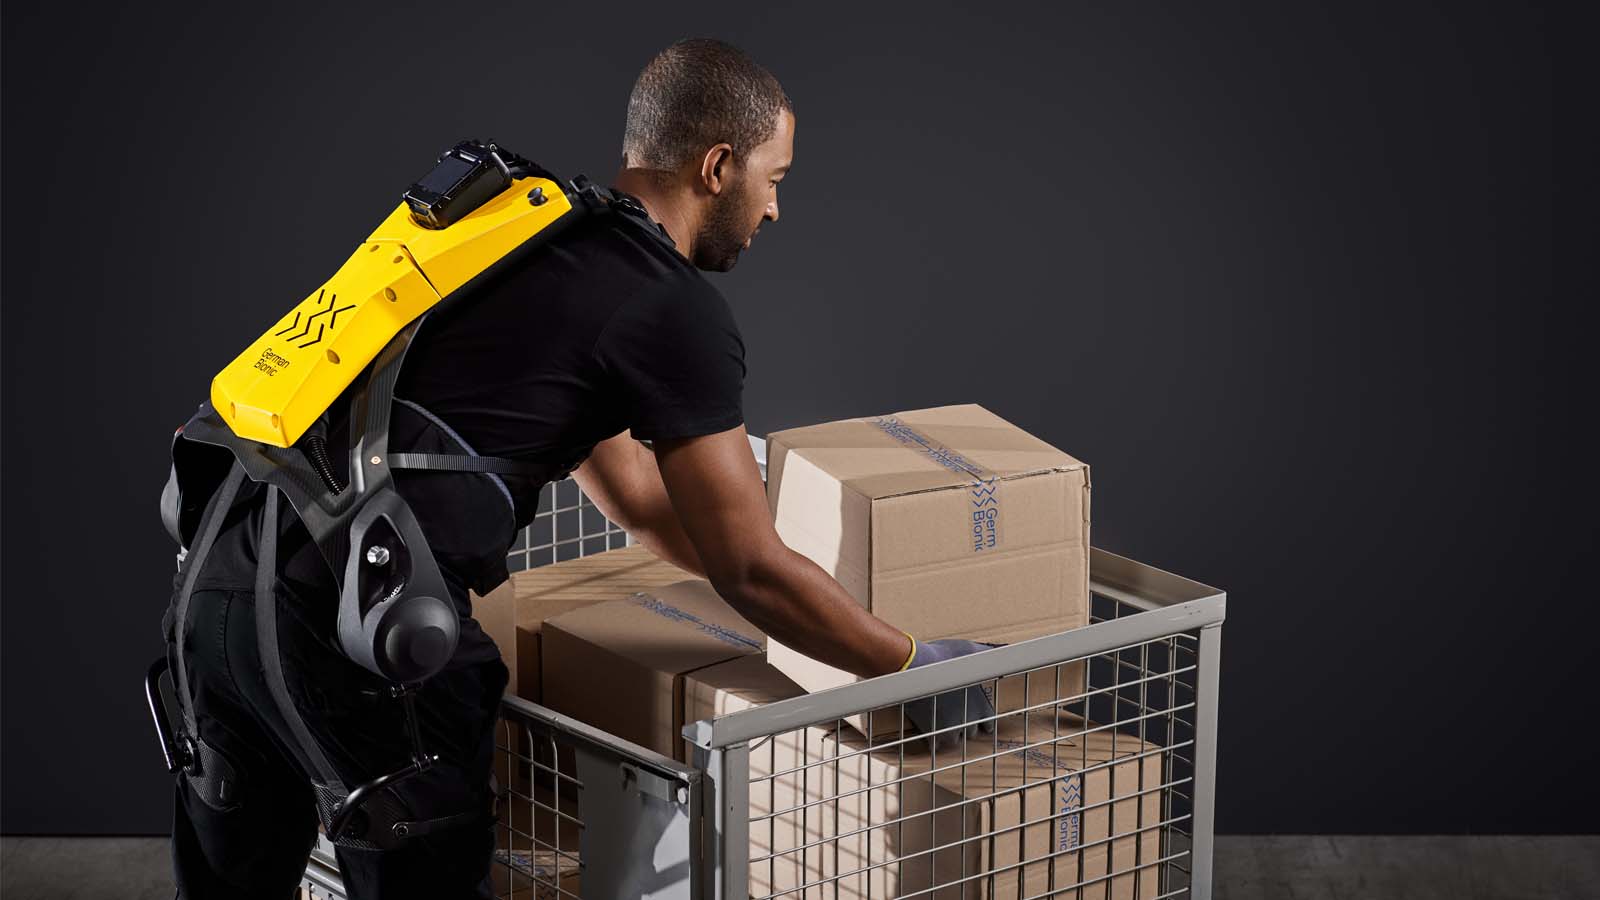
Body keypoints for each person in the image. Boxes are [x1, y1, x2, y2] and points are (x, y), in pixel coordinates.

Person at [164, 38, 992, 899]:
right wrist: (907, 663)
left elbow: (640, 503)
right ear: (718, 167)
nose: (775, 209)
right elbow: (749, 565)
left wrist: (800, 604)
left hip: (216, 583)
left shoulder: (524, 235)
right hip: (357, 626)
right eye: (773, 179)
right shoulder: (667, 304)